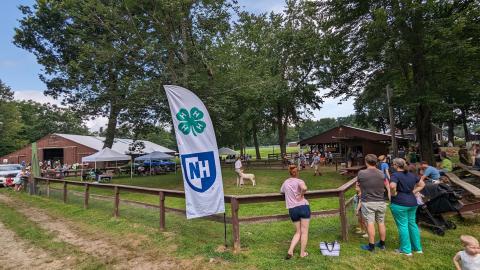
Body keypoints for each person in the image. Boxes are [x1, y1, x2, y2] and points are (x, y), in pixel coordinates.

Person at [389, 158, 425, 256]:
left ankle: (406, 250)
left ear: (396, 165)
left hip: (399, 203)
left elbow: (392, 186)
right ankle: (418, 248)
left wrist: (393, 194)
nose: (393, 166)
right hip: (412, 203)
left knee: (403, 226)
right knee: (412, 224)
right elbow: (422, 184)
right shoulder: (412, 175)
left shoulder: (395, 175)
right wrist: (413, 192)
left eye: (393, 164)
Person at [357, 154, 389, 251]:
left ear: (366, 162)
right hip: (381, 201)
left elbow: (358, 185)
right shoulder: (381, 173)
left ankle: (371, 246)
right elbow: (386, 185)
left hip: (368, 202)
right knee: (381, 222)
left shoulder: (361, 173)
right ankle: (382, 244)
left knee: (370, 223)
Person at [281, 165, 310, 259]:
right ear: (297, 172)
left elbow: (281, 191)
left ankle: (290, 250)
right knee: (304, 232)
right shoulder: (299, 181)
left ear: (289, 173)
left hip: (292, 209)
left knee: (298, 232)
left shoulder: (285, 182)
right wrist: (301, 195)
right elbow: (304, 188)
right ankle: (302, 253)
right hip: (303, 207)